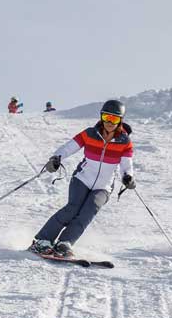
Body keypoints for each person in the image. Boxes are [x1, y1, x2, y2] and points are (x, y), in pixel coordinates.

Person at [28, 99, 134, 258]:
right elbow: (69, 147)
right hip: (82, 179)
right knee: (72, 209)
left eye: (114, 119)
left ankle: (65, 243)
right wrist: (56, 158)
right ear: (101, 117)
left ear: (120, 120)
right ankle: (42, 241)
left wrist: (128, 176)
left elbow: (127, 164)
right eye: (107, 117)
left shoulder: (124, 142)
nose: (110, 122)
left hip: (103, 187)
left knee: (87, 213)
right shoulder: (90, 134)